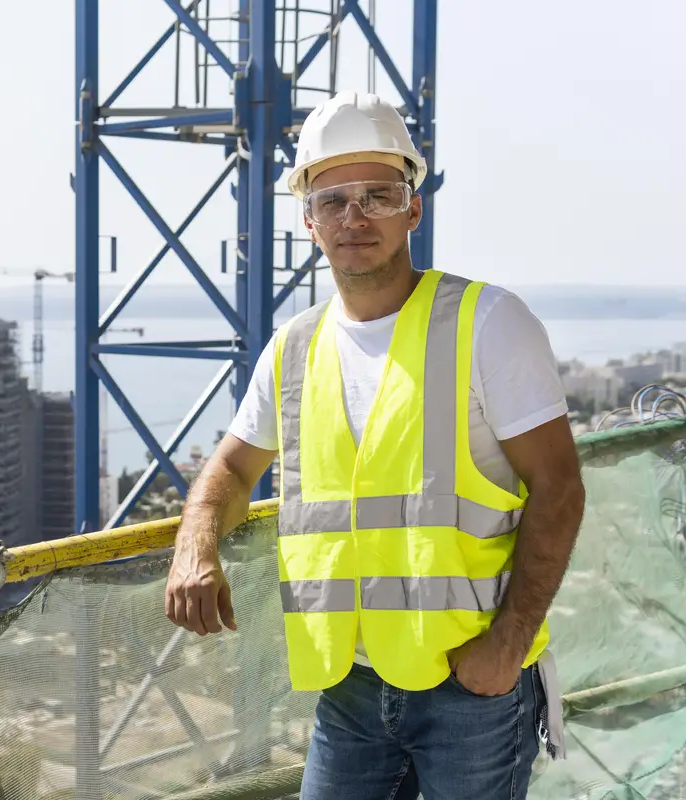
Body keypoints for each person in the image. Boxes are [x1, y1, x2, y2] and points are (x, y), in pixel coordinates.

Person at [163, 91, 586, 799]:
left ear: (413, 209)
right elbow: (231, 470)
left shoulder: (489, 323)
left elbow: (561, 488)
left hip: (469, 683)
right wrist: (194, 544)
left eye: (378, 197)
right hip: (350, 687)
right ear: (309, 221)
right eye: (333, 200)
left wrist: (508, 644)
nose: (354, 218)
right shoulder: (293, 350)